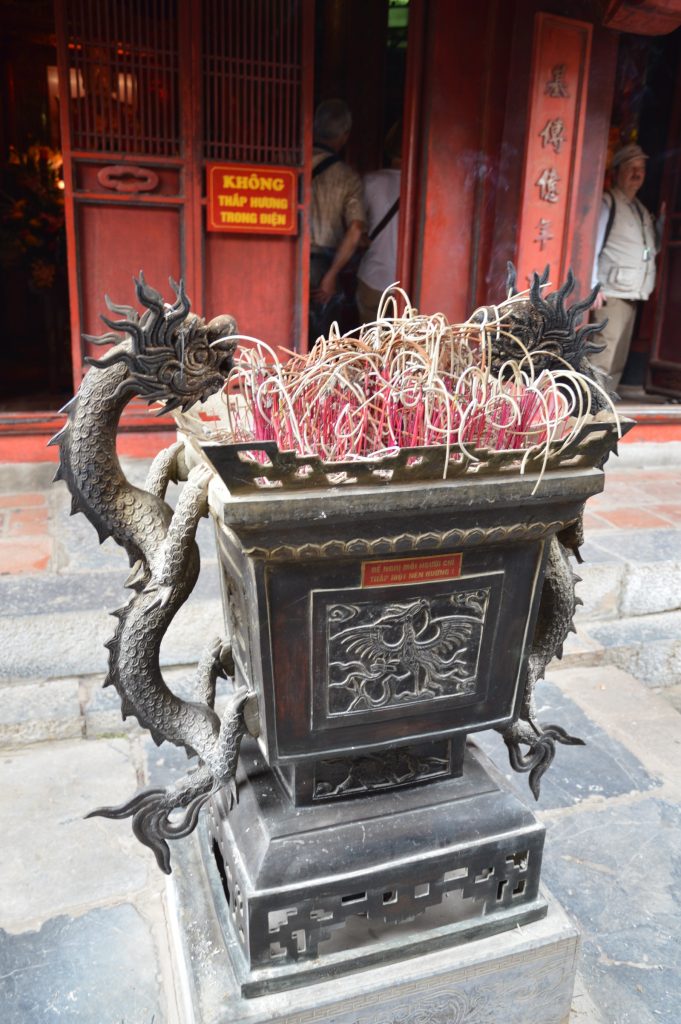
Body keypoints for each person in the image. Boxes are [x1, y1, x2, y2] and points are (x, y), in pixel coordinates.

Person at [590, 143, 663, 391]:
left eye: (641, 169)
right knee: (602, 354)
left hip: (631, 293)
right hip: (610, 292)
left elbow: (649, 249)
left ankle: (605, 407)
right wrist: (592, 286)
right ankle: (588, 410)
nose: (637, 174)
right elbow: (593, 246)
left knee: (618, 358)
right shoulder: (608, 203)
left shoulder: (640, 210)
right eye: (631, 168)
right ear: (617, 171)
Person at [309, 99, 366, 343]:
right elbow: (356, 228)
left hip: (286, 260)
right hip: (323, 266)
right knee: (321, 343)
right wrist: (332, 274)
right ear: (345, 135)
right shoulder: (347, 176)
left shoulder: (288, 161)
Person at [356, 124, 401, 324]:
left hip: (373, 278)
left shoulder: (371, 181)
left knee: (370, 343)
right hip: (409, 285)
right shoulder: (424, 185)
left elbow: (357, 227)